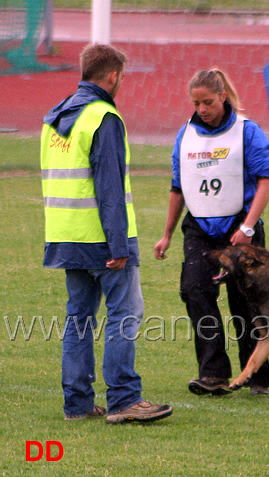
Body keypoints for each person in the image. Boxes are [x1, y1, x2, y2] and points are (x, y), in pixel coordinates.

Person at [41, 43, 173, 424]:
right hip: (102, 237)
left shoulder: (55, 118)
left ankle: (78, 404)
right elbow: (110, 187)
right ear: (113, 76)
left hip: (66, 235)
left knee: (79, 318)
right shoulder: (103, 117)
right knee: (124, 314)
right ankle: (124, 399)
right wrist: (118, 245)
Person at [154, 67, 269, 396]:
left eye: (207, 101)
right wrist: (166, 233)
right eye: (196, 103)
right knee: (195, 292)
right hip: (199, 229)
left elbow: (265, 182)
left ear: (223, 96)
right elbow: (177, 188)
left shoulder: (247, 132)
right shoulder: (186, 135)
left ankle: (255, 376)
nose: (202, 108)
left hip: (239, 228)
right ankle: (213, 374)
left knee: (245, 304)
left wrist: (248, 227)